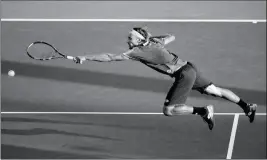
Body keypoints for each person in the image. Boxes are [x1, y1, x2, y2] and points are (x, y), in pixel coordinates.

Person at [73, 27, 257, 130]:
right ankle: (246, 106)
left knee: (169, 110)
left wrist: (85, 57)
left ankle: (203, 111)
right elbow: (171, 36)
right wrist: (153, 38)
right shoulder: (154, 42)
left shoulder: (137, 52)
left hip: (183, 75)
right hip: (189, 67)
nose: (127, 40)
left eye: (130, 38)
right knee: (215, 90)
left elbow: (109, 57)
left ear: (138, 41)